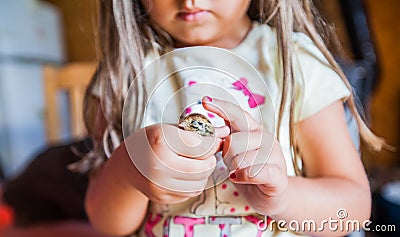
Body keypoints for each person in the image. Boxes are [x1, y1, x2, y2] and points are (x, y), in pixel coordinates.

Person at [79, 0, 388, 236]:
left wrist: (283, 198)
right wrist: (128, 170)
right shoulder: (123, 77)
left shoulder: (295, 64)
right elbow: (107, 223)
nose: (189, 0)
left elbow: (354, 208)